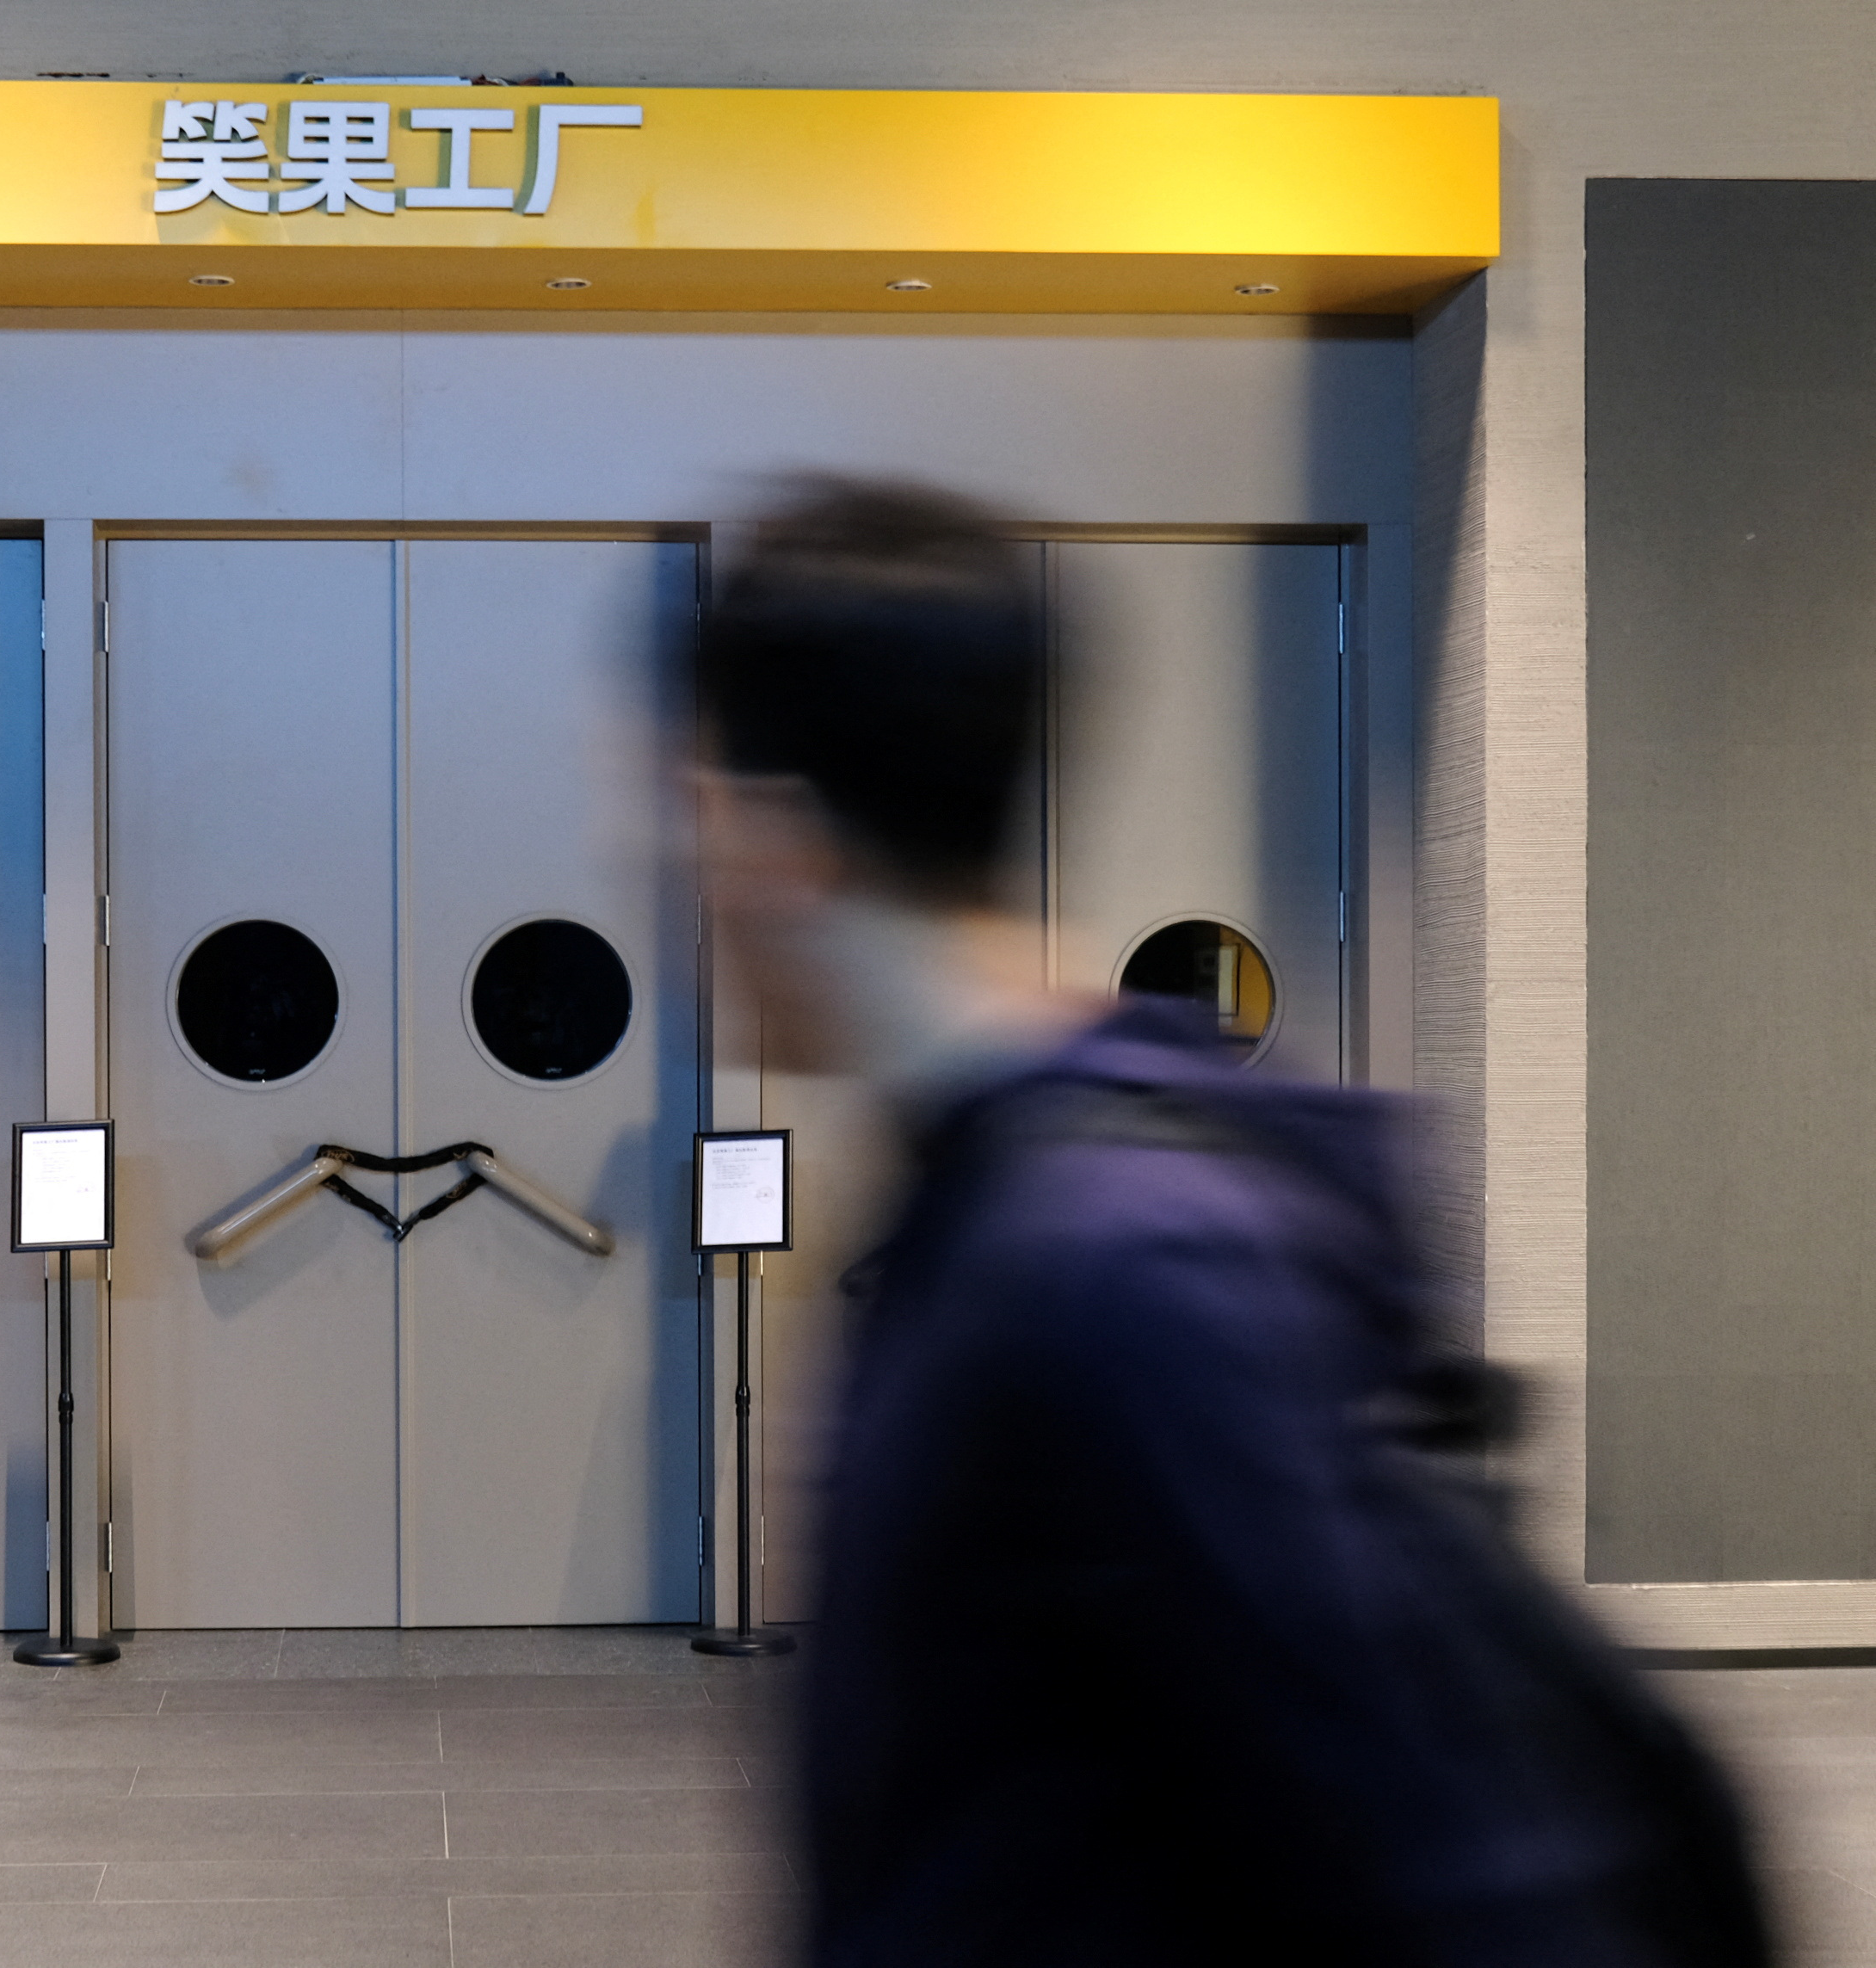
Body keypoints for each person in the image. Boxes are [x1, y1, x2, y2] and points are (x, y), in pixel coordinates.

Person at [689, 480, 1770, 1968]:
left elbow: (1478, 1875)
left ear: (776, 837)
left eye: (684, 813)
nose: (676, 887)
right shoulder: (974, 1209)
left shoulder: (1119, 1259)